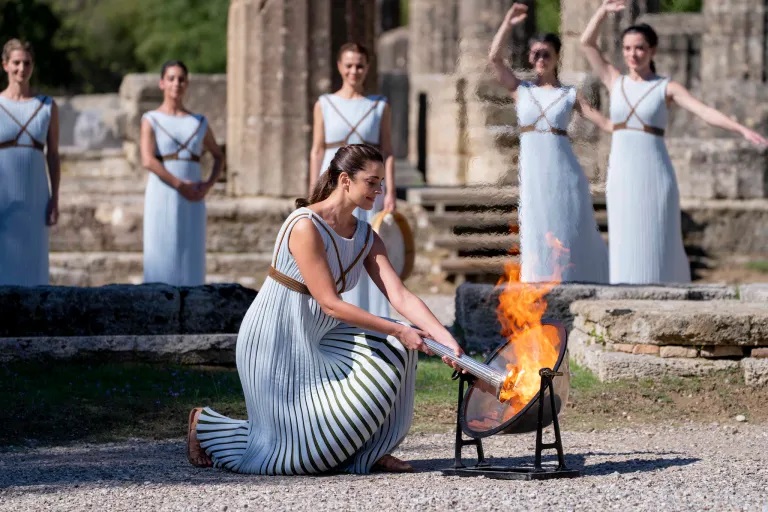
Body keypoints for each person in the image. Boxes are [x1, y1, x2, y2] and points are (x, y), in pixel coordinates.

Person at [187, 144, 463, 475]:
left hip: (320, 337)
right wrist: (400, 329)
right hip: (276, 338)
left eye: (380, 185)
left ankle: (369, 451)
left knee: (395, 351)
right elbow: (330, 304)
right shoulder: (305, 225)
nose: (378, 191)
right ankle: (206, 424)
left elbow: (400, 296)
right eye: (371, 183)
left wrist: (445, 339)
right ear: (345, 180)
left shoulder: (366, 236)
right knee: (298, 458)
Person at [581, 0, 768, 284]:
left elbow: (704, 111)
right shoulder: (614, 81)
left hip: (655, 172)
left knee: (658, 235)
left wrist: (740, 128)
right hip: (621, 172)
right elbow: (587, 44)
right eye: (628, 48)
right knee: (624, 236)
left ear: (652, 50)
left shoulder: (665, 87)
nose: (634, 54)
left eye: (640, 48)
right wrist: (601, 13)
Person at [489, 5, 610, 283]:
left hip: (563, 168)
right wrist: (507, 22)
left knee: (568, 223)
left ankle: (573, 278)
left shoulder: (569, 94)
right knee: (534, 221)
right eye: (536, 54)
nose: (540, 59)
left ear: (556, 57)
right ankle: (538, 280)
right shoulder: (521, 90)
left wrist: (630, 127)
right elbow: (494, 58)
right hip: (533, 168)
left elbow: (601, 120)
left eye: (546, 54)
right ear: (530, 58)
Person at [309, 42, 396, 317]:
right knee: (331, 244)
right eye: (348, 65)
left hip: (369, 184)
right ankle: (332, 312)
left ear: (367, 68)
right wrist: (314, 191)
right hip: (334, 181)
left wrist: (390, 190)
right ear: (339, 67)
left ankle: (371, 317)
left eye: (359, 65)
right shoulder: (324, 104)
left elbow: (388, 151)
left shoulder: (379, 105)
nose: (354, 71)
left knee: (366, 246)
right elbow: (317, 150)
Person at [140, 60, 223, 286]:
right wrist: (179, 184)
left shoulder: (198, 122)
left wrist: (207, 185)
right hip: (163, 192)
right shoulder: (151, 119)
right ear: (161, 83)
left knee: (190, 252)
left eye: (181, 79)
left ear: (187, 84)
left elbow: (218, 155)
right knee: (161, 250)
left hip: (194, 195)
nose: (176, 83)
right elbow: (148, 160)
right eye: (171, 78)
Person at [0, 39, 59, 286]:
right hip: (3, 194)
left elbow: (53, 154)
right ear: (5, 65)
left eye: (27, 63)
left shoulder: (46, 106)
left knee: (33, 263)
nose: (21, 69)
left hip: (35, 196)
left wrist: (55, 198)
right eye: (16, 63)